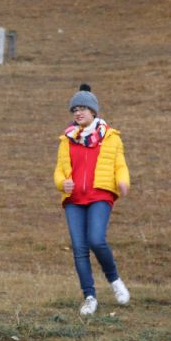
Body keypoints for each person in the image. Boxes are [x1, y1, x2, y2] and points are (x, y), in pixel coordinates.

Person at [52, 84, 130, 315]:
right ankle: (89, 297)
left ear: (93, 111)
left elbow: (120, 165)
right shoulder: (67, 139)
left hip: (100, 195)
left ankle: (114, 280)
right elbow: (59, 170)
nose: (78, 113)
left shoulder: (111, 137)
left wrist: (123, 181)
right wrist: (62, 183)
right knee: (79, 248)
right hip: (74, 199)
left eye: (83, 108)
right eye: (75, 109)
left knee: (96, 240)